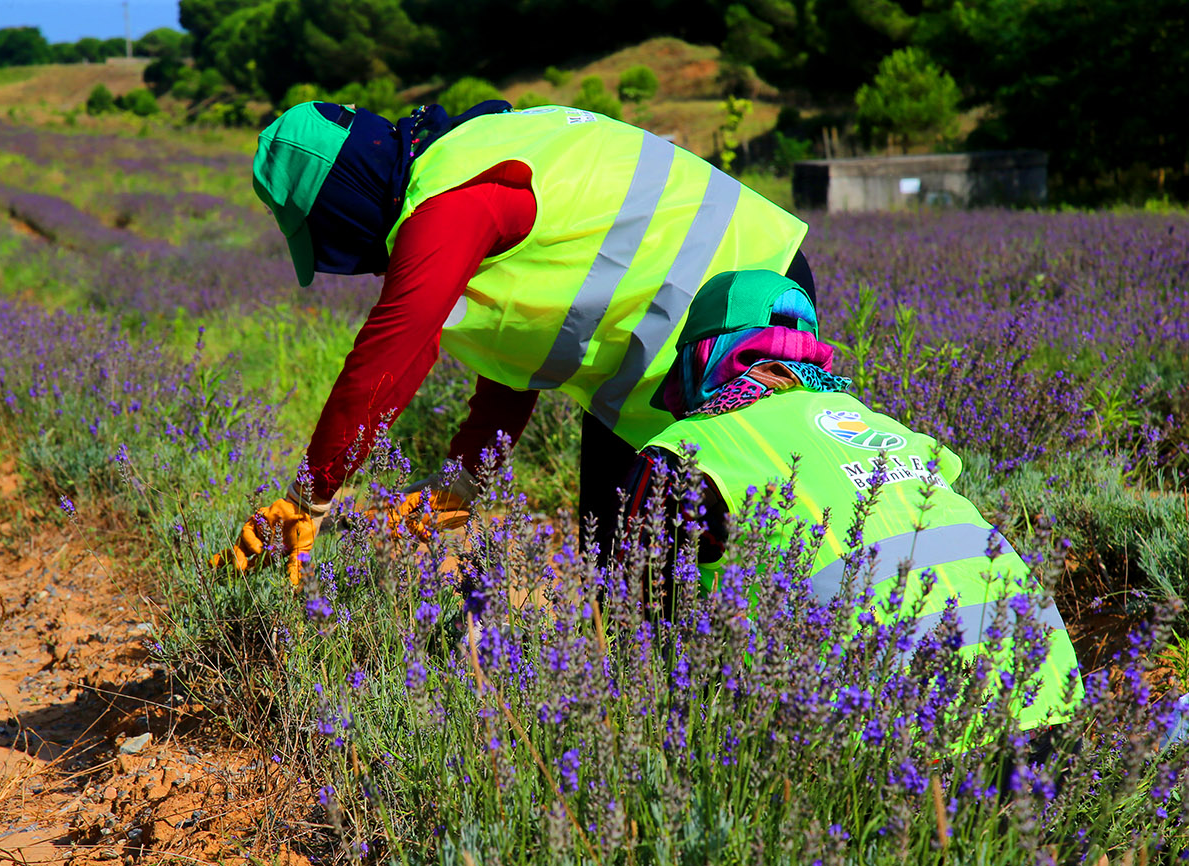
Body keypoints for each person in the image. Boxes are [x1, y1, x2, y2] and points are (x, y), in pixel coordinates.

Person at [214, 100, 811, 580]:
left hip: (749, 318)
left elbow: (397, 346)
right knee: (617, 565)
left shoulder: (450, 200)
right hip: (687, 350)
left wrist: (309, 493)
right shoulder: (471, 152)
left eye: (327, 236)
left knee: (727, 562)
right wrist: (462, 478)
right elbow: (524, 350)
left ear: (340, 203)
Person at [625, 270, 1085, 732]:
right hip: (1055, 703)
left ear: (701, 358)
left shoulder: (688, 449)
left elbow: (640, 623)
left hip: (902, 744)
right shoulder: (879, 424)